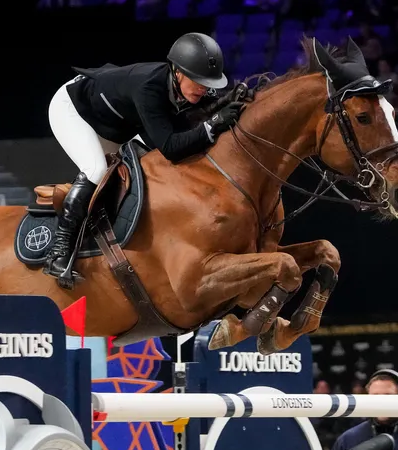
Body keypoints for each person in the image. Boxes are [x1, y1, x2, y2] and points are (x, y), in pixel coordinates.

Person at [42, 31, 246, 287]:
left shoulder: (190, 87)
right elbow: (171, 147)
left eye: (208, 83)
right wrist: (214, 124)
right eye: (198, 81)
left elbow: (194, 118)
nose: (203, 88)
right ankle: (59, 252)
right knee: (96, 169)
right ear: (178, 72)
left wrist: (228, 103)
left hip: (117, 124)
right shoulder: (148, 88)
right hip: (75, 111)